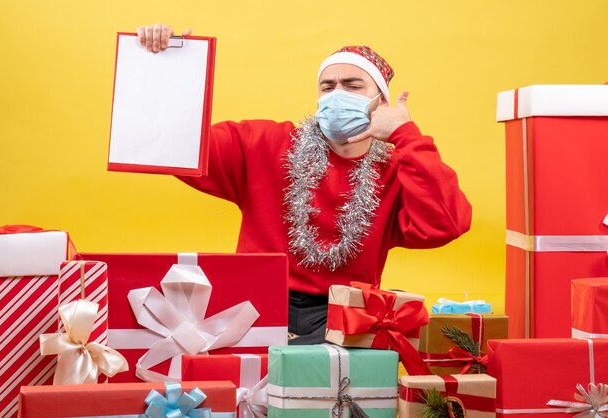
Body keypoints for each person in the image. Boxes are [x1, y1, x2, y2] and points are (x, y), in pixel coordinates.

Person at [137, 24, 472, 344]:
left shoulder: (398, 170)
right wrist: (167, 67)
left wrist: (404, 134)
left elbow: (447, 222)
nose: (337, 94)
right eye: (328, 87)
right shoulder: (265, 143)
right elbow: (176, 146)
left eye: (353, 86)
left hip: (345, 316)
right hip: (253, 306)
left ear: (380, 103)